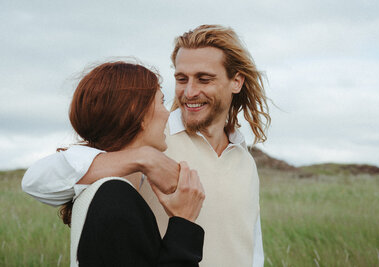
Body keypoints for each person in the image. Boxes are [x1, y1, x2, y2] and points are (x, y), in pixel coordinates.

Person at [22, 24, 270, 267]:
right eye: (181, 79)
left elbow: (250, 247)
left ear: (236, 82)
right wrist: (144, 158)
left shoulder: (244, 159)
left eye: (204, 79)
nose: (189, 92)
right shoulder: (149, 138)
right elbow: (37, 182)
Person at [48, 61, 205, 266]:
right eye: (161, 101)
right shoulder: (115, 197)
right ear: (136, 112)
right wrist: (184, 222)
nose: (168, 113)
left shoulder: (103, 189)